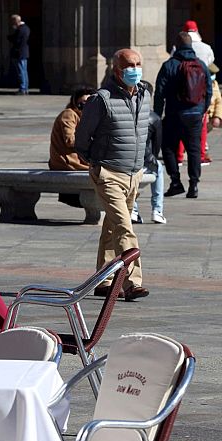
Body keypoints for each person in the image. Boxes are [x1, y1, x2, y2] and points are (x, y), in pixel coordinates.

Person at [76, 48, 150, 301]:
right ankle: (132, 282)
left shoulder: (145, 94)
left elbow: (144, 130)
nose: (135, 69)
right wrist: (92, 159)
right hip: (108, 172)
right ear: (117, 69)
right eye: (130, 65)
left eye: (138, 63)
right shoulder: (102, 99)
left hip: (133, 173)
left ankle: (104, 280)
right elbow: (83, 135)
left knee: (111, 228)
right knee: (124, 227)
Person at [154, 32, 212, 199]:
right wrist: (202, 109)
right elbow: (208, 91)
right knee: (194, 149)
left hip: (174, 114)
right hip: (194, 115)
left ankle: (175, 182)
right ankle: (193, 185)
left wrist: (158, 115)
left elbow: (159, 93)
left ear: (177, 46)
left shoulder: (169, 65)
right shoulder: (200, 65)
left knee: (168, 148)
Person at [173, 21, 215, 166]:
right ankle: (201, 156)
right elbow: (211, 65)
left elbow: (172, 65)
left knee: (179, 126)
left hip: (181, 93)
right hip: (199, 95)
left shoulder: (176, 48)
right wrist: (207, 102)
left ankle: (178, 157)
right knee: (201, 128)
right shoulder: (206, 48)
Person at [48, 87, 95, 207]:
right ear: (76, 102)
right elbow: (70, 140)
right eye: (82, 103)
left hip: (77, 160)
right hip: (67, 162)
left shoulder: (87, 118)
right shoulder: (69, 114)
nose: (85, 106)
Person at [131, 80, 167, 224]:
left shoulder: (126, 111)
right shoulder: (154, 117)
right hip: (144, 158)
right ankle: (157, 210)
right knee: (158, 167)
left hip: (123, 159)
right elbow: (156, 146)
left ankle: (133, 209)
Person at [7, 14, 30, 95]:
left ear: (16, 21)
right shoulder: (26, 28)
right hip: (24, 52)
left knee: (21, 71)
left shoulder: (20, 29)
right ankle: (25, 88)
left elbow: (17, 40)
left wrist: (10, 37)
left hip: (19, 53)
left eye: (13, 21)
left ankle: (22, 88)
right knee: (24, 71)